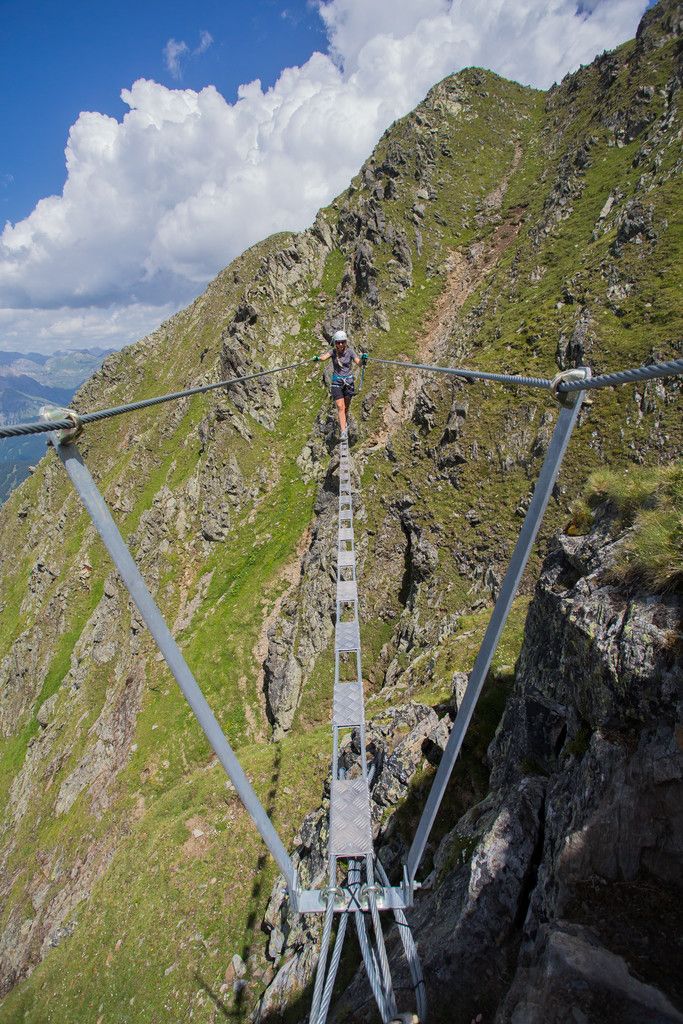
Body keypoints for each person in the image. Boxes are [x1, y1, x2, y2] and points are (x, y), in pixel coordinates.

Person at [314, 331, 367, 440]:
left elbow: (359, 363)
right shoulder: (333, 352)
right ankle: (343, 431)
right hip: (337, 383)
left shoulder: (351, 352)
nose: (341, 344)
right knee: (340, 407)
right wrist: (317, 358)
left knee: (346, 407)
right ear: (335, 343)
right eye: (338, 342)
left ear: (346, 342)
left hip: (348, 383)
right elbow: (324, 357)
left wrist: (363, 359)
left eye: (342, 342)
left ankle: (344, 423)